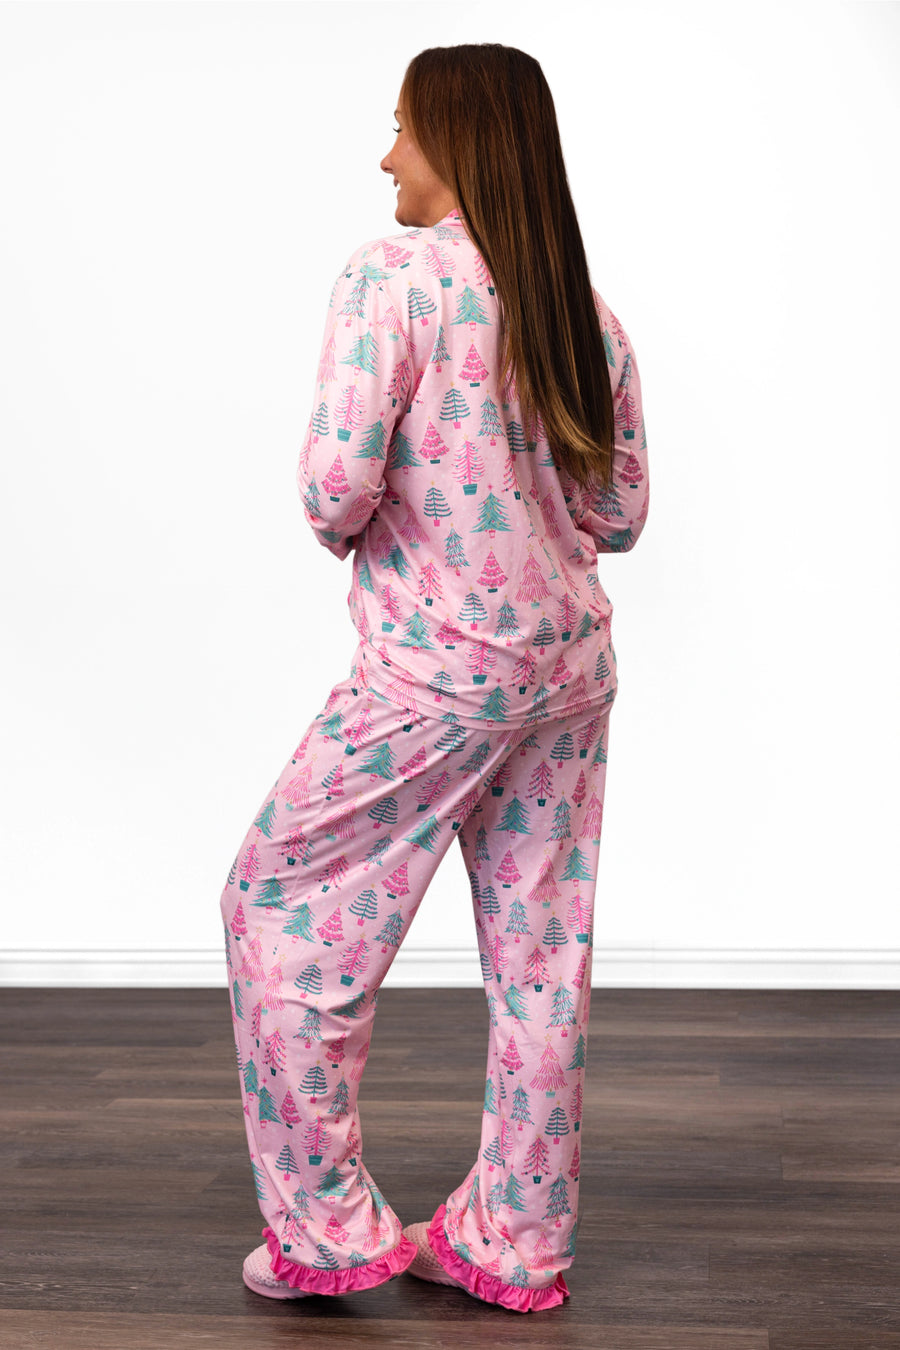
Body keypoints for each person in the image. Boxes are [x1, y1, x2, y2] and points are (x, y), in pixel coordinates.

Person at [220, 42, 648, 1314]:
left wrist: (381, 522)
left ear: (454, 140)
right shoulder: (584, 311)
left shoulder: (391, 277)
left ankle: (327, 1233)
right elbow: (619, 514)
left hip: (434, 679)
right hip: (566, 678)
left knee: (274, 907)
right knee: (540, 964)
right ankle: (517, 1243)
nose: (385, 156)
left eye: (402, 127)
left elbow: (332, 487)